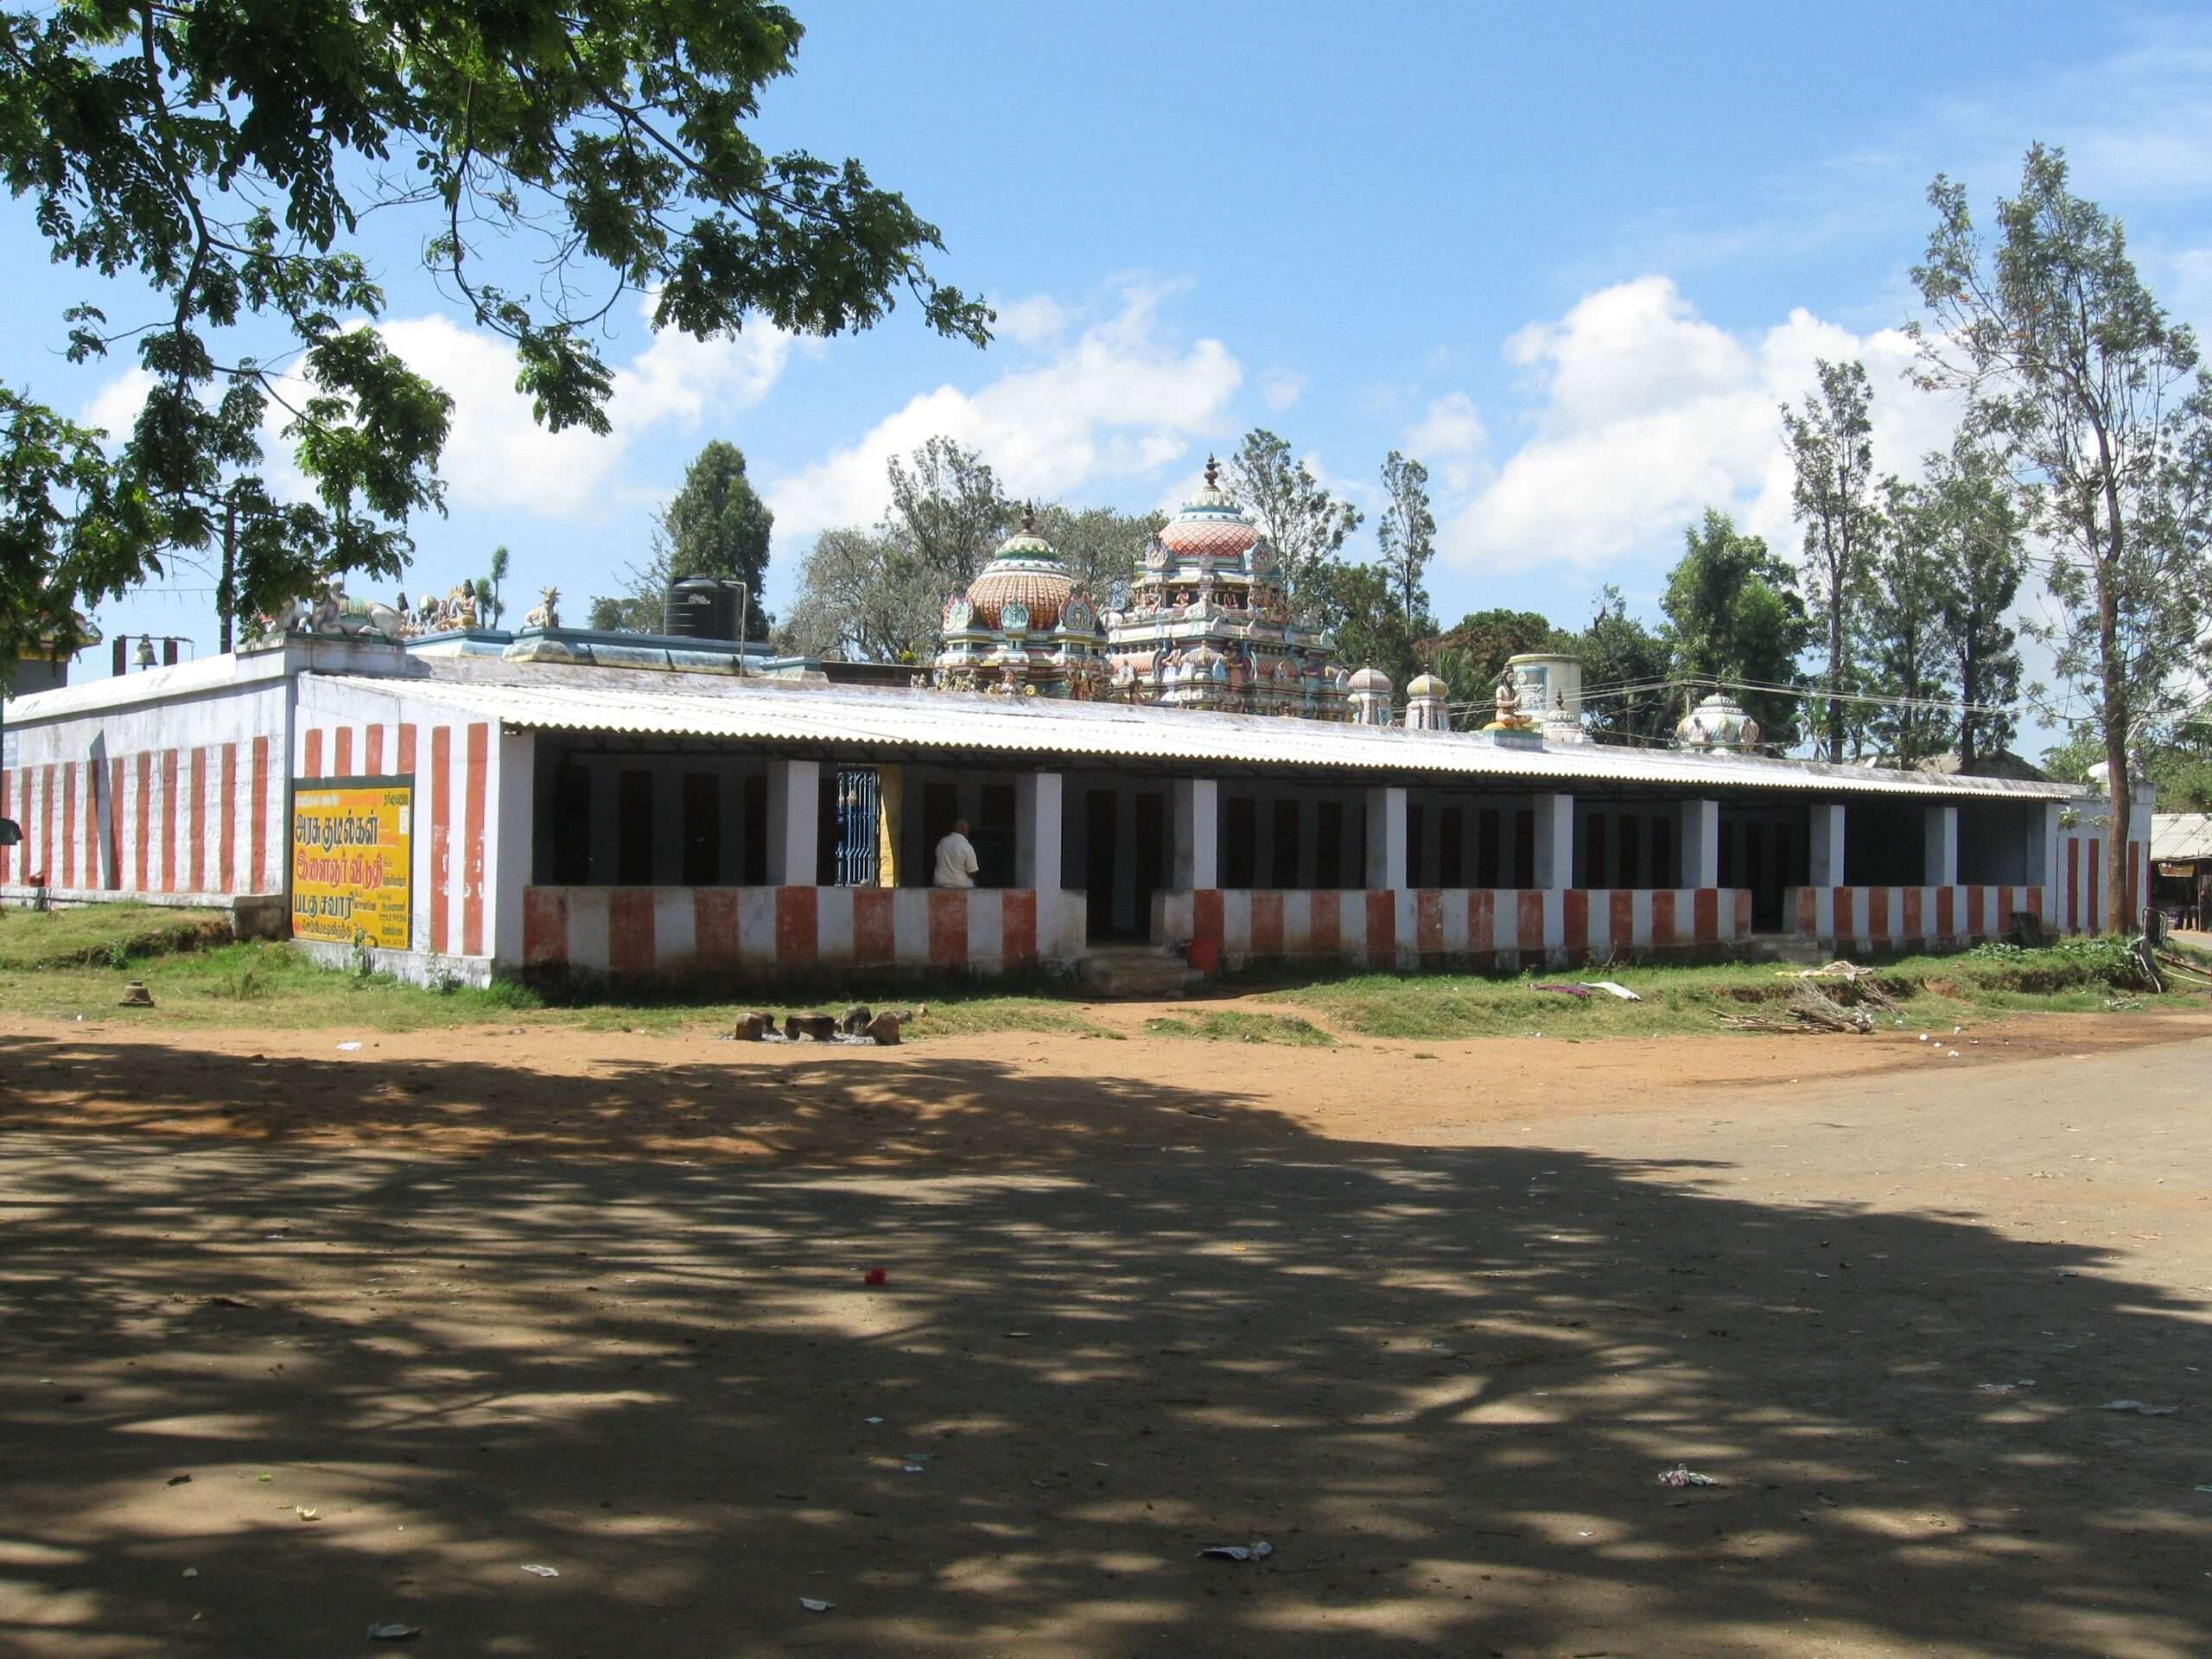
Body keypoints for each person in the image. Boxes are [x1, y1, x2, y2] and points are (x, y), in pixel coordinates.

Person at [933, 818, 979, 889]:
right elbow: (972, 871)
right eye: (968, 831)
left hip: (940, 882)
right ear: (964, 830)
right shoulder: (966, 846)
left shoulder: (942, 842)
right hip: (960, 884)